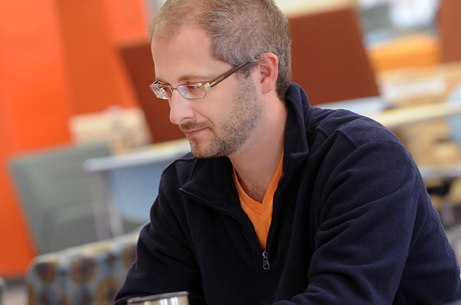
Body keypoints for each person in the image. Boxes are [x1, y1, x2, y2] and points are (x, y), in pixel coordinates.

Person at [113, 0, 461, 304]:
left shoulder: (363, 159)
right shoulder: (184, 187)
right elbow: (145, 300)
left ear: (263, 73)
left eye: (195, 87)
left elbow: (343, 299)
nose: (177, 114)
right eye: (166, 89)